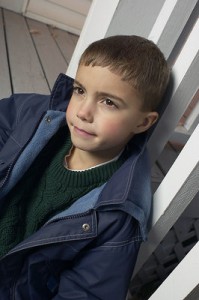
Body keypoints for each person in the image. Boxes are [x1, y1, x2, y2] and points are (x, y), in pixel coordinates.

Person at [0, 35, 170, 300]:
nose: (83, 112)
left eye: (109, 102)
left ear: (143, 123)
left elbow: (87, 292)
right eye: (79, 90)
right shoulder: (37, 118)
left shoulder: (115, 215)